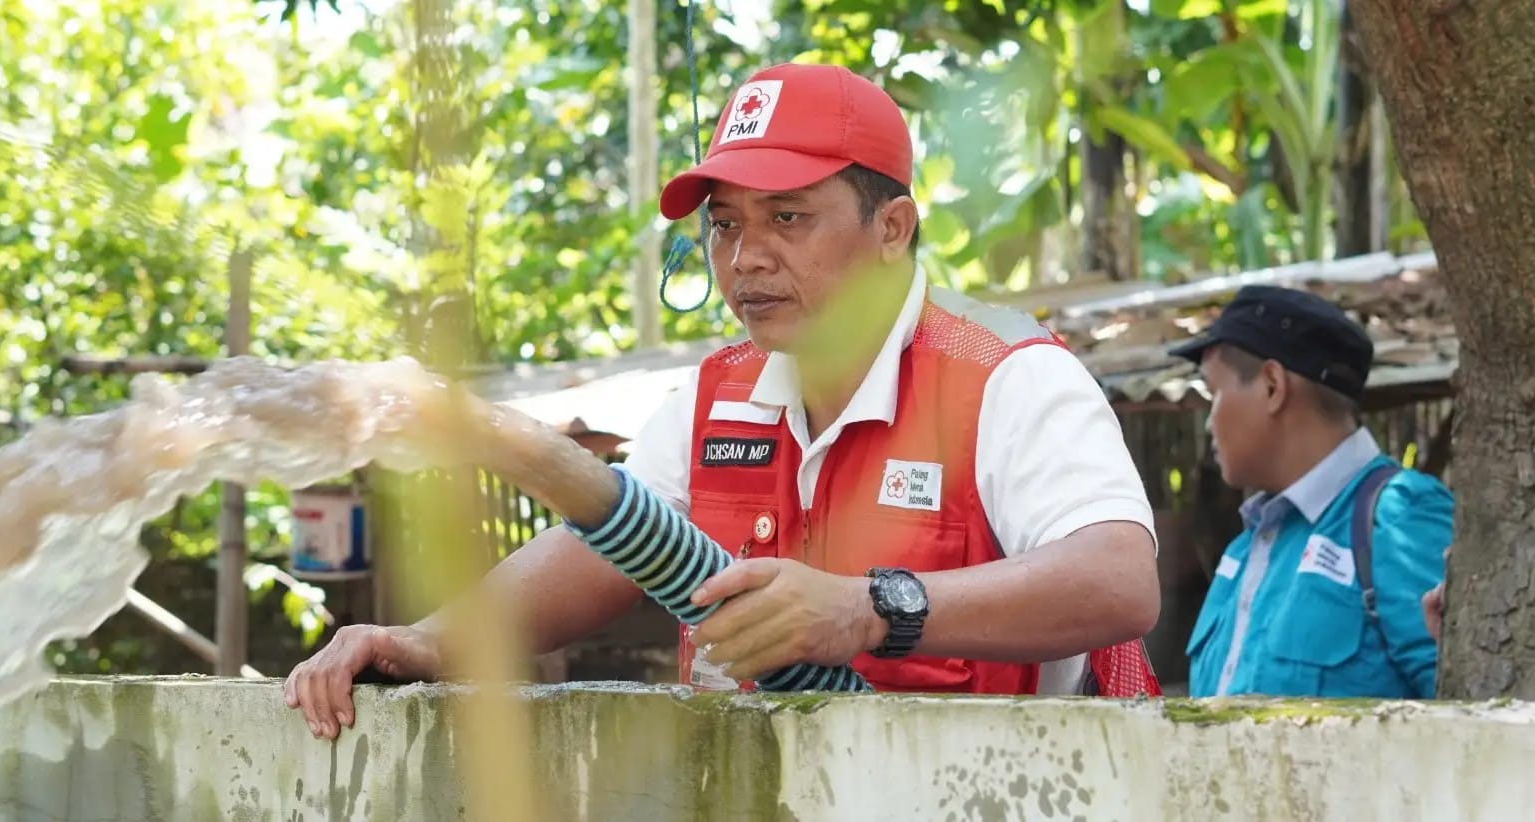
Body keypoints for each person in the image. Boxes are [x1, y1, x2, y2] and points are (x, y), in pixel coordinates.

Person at [284, 62, 1162, 740]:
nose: (745, 259)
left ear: (892, 228)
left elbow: (1117, 581)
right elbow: (604, 543)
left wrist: (866, 607)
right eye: (726, 224)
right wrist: (430, 643)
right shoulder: (721, 391)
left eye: (788, 217)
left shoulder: (1009, 374)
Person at [1175, 285, 1453, 699]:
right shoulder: (1245, 549)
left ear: (1272, 386)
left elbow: (1471, 713)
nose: (1208, 422)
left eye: (1214, 393)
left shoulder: (1397, 517)